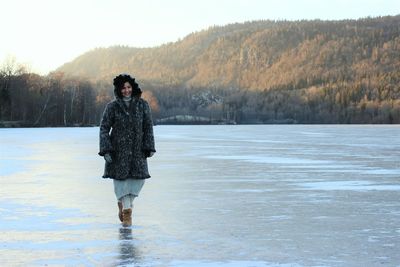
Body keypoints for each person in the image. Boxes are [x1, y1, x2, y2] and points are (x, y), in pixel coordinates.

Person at [99, 74, 156, 227]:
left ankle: (124, 204)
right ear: (119, 89)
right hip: (118, 150)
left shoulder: (143, 105)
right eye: (123, 88)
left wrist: (149, 146)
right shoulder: (112, 106)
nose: (126, 90)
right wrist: (106, 150)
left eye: (129, 87)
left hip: (138, 149)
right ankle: (127, 213)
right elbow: (104, 127)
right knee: (121, 181)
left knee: (138, 181)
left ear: (133, 88)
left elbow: (148, 127)